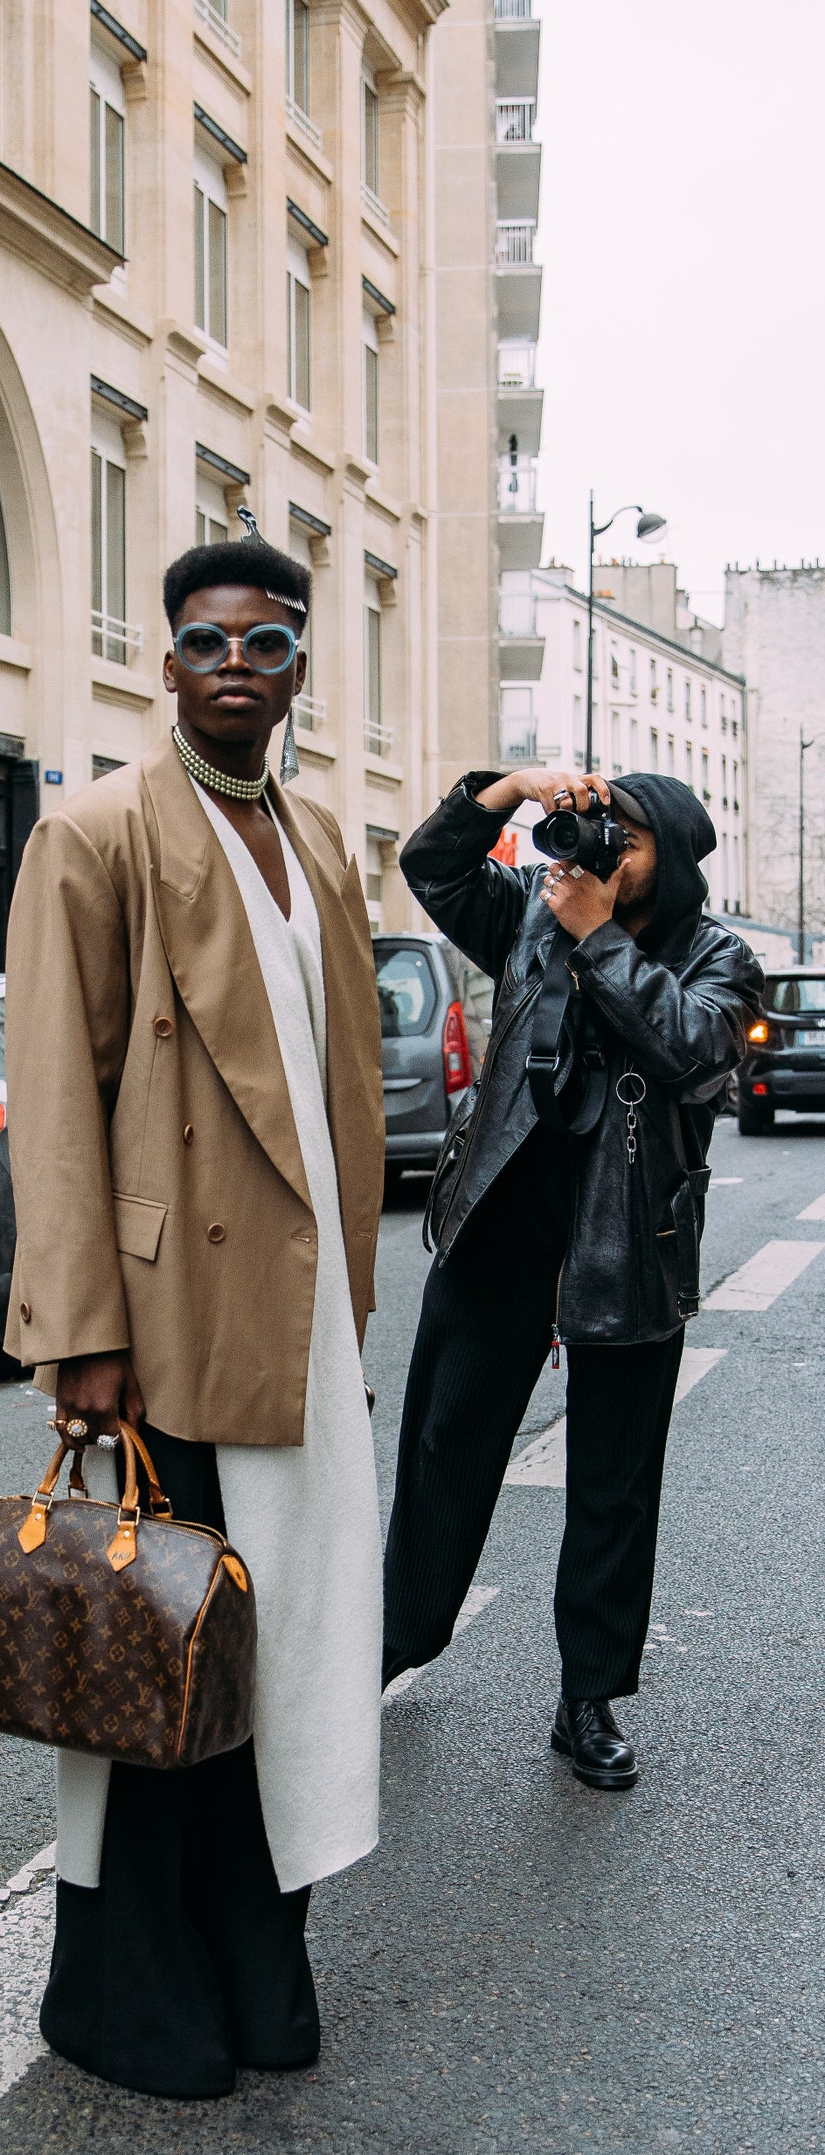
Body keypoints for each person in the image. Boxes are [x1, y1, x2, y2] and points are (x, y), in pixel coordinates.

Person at [3, 538, 386, 2100]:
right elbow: (55, 1099)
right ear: (165, 664)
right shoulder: (95, 832)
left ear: (299, 671)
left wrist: (353, 1302)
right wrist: (80, 1332)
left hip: (302, 1314)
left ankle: (255, 1961)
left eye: (268, 641)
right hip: (168, 1317)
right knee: (162, 1647)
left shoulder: (321, 839)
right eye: (208, 641)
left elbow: (342, 1088)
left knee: (281, 1651)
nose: (237, 663)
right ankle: (122, 1993)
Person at [382, 764, 762, 1789]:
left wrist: (599, 938)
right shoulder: (531, 910)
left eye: (627, 839)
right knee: (444, 1444)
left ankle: (587, 1696)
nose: (602, 852)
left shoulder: (719, 956)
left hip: (628, 1240)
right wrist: (509, 789)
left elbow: (695, 1051)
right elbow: (431, 864)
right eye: (598, 829)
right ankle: (394, 1640)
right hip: (503, 1219)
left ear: (671, 857)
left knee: (612, 1483)